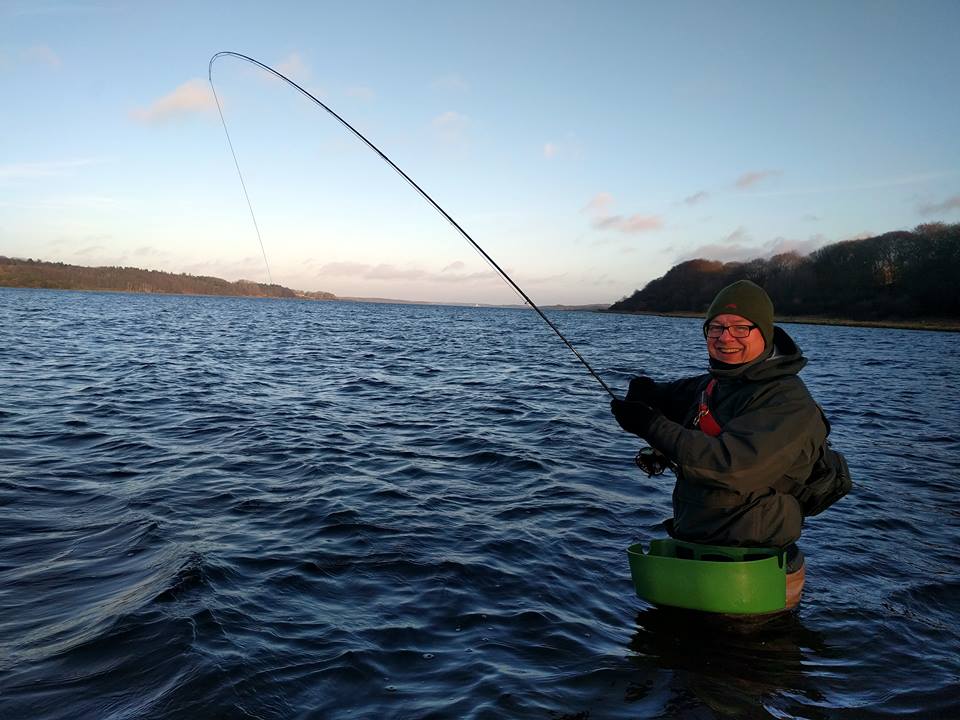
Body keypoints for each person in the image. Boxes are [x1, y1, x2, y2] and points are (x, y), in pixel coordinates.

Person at [610, 280, 850, 589]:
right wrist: (649, 393)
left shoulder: (788, 401)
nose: (726, 338)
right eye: (716, 328)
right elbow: (676, 395)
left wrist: (651, 425)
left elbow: (732, 466)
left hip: (752, 572)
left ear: (764, 333)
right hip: (698, 556)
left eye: (740, 328)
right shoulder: (719, 383)